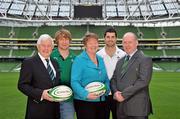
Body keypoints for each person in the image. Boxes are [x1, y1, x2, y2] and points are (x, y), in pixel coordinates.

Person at [110, 32, 153, 119]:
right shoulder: (120, 61)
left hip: (137, 109)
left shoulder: (145, 59)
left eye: (130, 42)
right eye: (125, 42)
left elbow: (143, 81)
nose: (127, 45)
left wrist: (123, 95)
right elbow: (113, 79)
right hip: (121, 107)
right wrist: (115, 92)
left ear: (136, 43)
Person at [18, 34, 60, 119]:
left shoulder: (55, 62)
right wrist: (41, 94)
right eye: (43, 45)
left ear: (52, 47)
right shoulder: (29, 62)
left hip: (55, 110)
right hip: (37, 110)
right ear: (38, 46)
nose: (46, 48)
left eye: (49, 46)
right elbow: (22, 85)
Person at [71, 32, 110, 119]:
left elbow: (106, 79)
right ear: (85, 45)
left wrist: (106, 89)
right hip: (84, 102)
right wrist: (86, 94)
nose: (93, 45)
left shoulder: (100, 59)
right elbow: (74, 82)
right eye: (90, 43)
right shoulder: (79, 60)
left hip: (102, 101)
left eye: (95, 42)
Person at [97, 27, 126, 119]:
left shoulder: (123, 55)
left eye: (113, 37)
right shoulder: (98, 55)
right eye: (108, 37)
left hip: (118, 94)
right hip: (102, 94)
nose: (110, 39)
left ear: (116, 38)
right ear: (104, 38)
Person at [51, 28, 76, 119]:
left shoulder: (75, 58)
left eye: (66, 39)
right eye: (61, 39)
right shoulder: (50, 56)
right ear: (57, 41)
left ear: (70, 41)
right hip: (51, 98)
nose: (64, 42)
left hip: (68, 99)